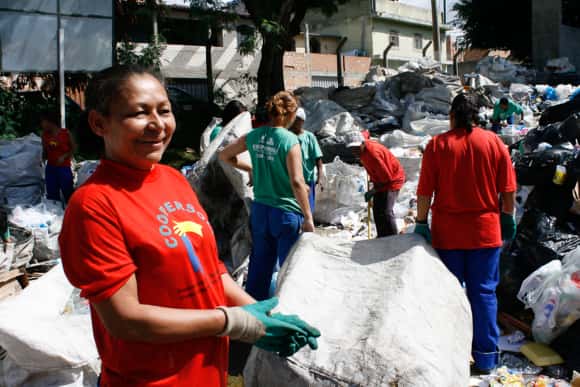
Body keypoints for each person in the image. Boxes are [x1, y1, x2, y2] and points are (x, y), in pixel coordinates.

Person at [58, 65, 319, 387]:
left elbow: (210, 269)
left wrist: (262, 317)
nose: (157, 125)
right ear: (99, 123)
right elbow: (126, 321)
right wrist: (234, 322)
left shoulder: (173, 180)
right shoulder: (94, 206)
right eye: (139, 114)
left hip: (207, 372)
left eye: (164, 111)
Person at [414, 93, 517, 374]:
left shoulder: (438, 145)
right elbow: (508, 189)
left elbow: (425, 191)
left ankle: (452, 356)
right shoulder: (494, 142)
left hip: (448, 235)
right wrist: (508, 216)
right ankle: (485, 358)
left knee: (450, 295)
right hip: (485, 232)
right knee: (483, 293)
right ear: (477, 116)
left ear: (452, 116)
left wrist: (421, 222)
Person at [219, 91, 314, 301]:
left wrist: (251, 168)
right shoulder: (290, 140)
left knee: (259, 268)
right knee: (289, 269)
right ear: (290, 115)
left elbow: (224, 155)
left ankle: (254, 318)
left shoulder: (254, 135)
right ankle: (290, 311)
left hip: (261, 211)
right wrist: (308, 217)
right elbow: (297, 181)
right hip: (286, 213)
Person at [345, 131, 405, 237]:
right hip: (381, 180)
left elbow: (387, 178)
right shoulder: (362, 150)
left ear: (362, 143)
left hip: (392, 181)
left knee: (386, 211)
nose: (354, 151)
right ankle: (382, 236)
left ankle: (393, 238)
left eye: (356, 148)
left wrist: (373, 191)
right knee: (377, 209)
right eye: (351, 149)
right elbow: (365, 133)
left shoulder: (373, 155)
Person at [289, 107, 323, 212]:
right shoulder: (287, 136)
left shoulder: (309, 137)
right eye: (293, 119)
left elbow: (318, 159)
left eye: (297, 120)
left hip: (307, 179)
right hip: (291, 179)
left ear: (302, 121)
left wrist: (320, 177)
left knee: (307, 208)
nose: (294, 123)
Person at [40, 111, 75, 203]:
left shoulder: (66, 133)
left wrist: (64, 156)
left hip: (64, 169)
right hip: (51, 169)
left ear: (50, 122)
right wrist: (42, 159)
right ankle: (55, 214)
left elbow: (74, 148)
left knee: (68, 193)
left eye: (43, 122)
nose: (42, 124)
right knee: (52, 195)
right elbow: (45, 150)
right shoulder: (44, 135)